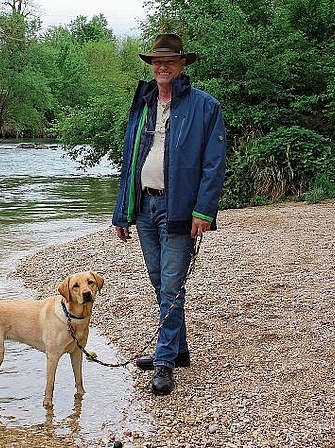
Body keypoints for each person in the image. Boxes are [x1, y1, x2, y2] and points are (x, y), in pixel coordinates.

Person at [112, 33, 227, 395]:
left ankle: (163, 363)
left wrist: (203, 211)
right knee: (161, 283)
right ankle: (178, 351)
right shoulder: (144, 104)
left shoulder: (205, 106)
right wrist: (122, 211)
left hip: (180, 208)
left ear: (181, 65)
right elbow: (129, 160)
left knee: (172, 284)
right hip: (144, 205)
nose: (161, 67)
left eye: (169, 61)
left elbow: (214, 164)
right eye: (156, 61)